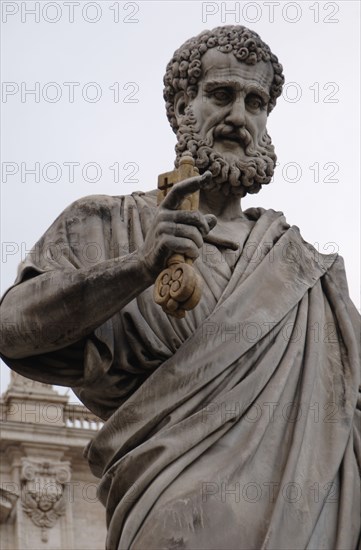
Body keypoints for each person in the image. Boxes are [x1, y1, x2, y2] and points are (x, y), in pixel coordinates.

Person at [1, 25, 360, 550]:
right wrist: (137, 268)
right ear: (180, 107)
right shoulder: (110, 223)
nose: (239, 116)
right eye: (221, 95)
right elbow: (13, 329)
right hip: (173, 517)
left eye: (256, 102)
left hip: (313, 526)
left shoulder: (310, 272)